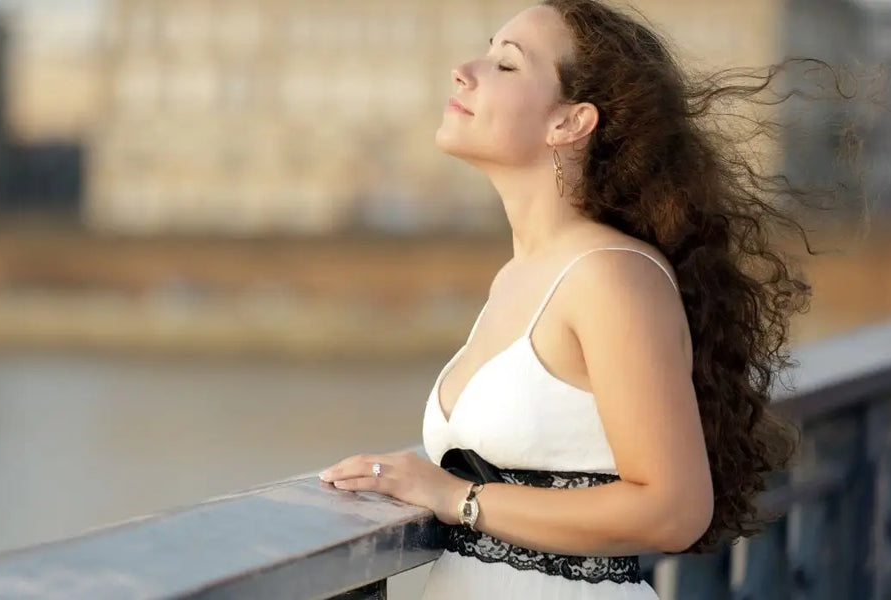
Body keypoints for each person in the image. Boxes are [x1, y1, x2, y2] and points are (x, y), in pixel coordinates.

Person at [317, 0, 827, 597]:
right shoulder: (517, 277)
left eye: (506, 65)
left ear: (570, 122)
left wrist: (455, 496)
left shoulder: (611, 275)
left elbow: (674, 509)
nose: (463, 70)